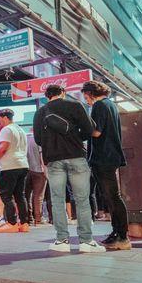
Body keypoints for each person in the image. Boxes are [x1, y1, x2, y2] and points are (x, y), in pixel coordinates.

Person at [33, 85, 104, 253]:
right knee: (82, 200)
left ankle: (61, 241)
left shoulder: (40, 112)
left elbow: (38, 139)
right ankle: (86, 241)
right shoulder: (75, 105)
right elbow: (89, 130)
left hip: (53, 160)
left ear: (47, 96)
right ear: (63, 93)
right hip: (76, 155)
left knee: (57, 200)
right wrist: (75, 137)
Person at [81, 80, 131, 250]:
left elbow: (96, 132)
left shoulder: (99, 105)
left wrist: (82, 126)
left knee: (112, 197)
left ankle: (122, 236)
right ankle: (117, 233)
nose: (87, 101)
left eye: (86, 97)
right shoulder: (110, 105)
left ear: (91, 93)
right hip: (111, 156)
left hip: (103, 157)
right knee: (112, 196)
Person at [0, 109, 30, 233]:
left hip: (10, 166)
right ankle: (24, 223)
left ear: (5, 117)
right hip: (22, 165)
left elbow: (3, 147)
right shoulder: (20, 130)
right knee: (20, 195)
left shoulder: (7, 129)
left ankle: (12, 223)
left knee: (6, 195)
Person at [25, 132, 47, 225]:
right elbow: (42, 155)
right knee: (38, 196)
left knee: (26, 195)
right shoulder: (40, 139)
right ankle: (38, 218)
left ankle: (28, 218)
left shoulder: (25, 138)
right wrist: (45, 169)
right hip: (39, 171)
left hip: (26, 170)